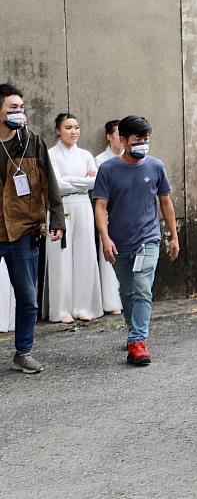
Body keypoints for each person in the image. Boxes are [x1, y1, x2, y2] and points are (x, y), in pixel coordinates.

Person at [93, 115, 180, 366]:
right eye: (138, 139)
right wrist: (105, 238)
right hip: (119, 243)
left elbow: (165, 202)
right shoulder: (108, 170)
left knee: (142, 289)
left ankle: (138, 341)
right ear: (123, 140)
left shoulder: (156, 166)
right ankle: (134, 331)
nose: (143, 143)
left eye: (146, 139)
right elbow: (100, 206)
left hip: (148, 239)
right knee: (128, 291)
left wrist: (173, 236)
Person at [0, 83, 65, 373]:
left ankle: (23, 352)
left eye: (21, 108)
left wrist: (57, 218)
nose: (19, 113)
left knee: (27, 297)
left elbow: (50, 181)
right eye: (13, 108)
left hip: (24, 229)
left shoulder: (32, 141)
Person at [46, 113, 103, 324]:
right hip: (60, 206)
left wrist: (70, 180)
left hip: (83, 205)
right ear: (58, 130)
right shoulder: (51, 154)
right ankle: (62, 309)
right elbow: (56, 185)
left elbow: (96, 182)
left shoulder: (86, 155)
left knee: (85, 253)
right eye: (68, 127)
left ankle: (83, 306)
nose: (73, 132)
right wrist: (81, 181)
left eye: (76, 127)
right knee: (61, 256)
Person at [95, 120, 124, 315]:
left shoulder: (129, 158)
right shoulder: (99, 160)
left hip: (125, 211)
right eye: (117, 134)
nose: (121, 139)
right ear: (109, 137)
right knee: (108, 253)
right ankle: (111, 301)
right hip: (106, 211)